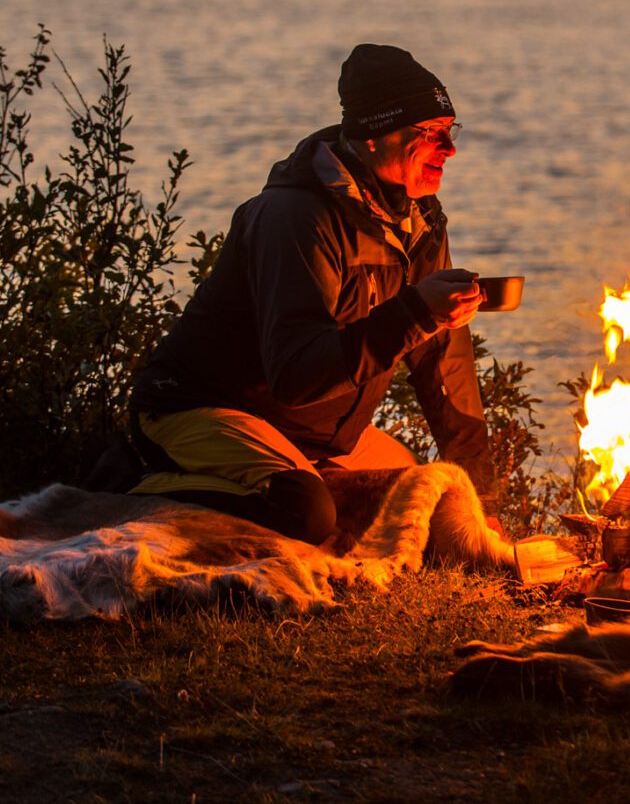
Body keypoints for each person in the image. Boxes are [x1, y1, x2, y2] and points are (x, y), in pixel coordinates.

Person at [126, 43, 494, 545]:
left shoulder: (420, 219)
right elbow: (295, 375)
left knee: (425, 507)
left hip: (315, 439)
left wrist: (481, 495)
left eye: (451, 132)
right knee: (305, 512)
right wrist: (414, 312)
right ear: (370, 136)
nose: (449, 149)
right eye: (429, 133)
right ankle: (135, 488)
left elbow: (443, 361)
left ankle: (305, 475)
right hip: (205, 409)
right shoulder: (297, 218)